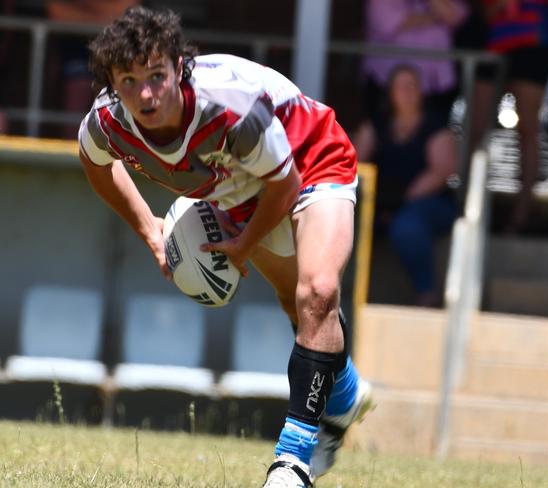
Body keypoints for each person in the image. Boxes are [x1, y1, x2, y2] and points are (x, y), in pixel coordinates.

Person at [77, 7, 373, 487]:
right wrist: (150, 230)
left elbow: (285, 184)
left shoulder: (229, 108)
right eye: (129, 81)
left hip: (308, 157)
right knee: (292, 303)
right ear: (111, 82)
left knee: (317, 290)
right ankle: (343, 396)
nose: (146, 94)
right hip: (237, 185)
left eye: (156, 75)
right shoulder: (108, 121)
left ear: (178, 65)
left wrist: (242, 246)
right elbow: (94, 164)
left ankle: (292, 460)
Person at [355, 65, 458, 307]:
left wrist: (398, 206)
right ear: (389, 93)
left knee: (406, 226)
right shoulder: (376, 125)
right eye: (400, 86)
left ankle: (427, 293)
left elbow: (441, 172)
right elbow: (353, 165)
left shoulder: (435, 126)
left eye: (413, 85)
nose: (407, 92)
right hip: (381, 203)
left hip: (428, 204)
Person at [470, 0, 548, 232]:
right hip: (494, 43)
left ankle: (522, 214)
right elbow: (485, 13)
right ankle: (469, 206)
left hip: (534, 46)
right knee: (476, 129)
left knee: (528, 130)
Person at [46, 0, 140, 138]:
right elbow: (55, 10)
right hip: (75, 55)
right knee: (78, 88)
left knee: (121, 94)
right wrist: (104, 13)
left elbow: (126, 10)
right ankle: (74, 151)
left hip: (119, 54)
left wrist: (81, 7)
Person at [363, 0, 468, 123]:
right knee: (384, 132)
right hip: (388, 83)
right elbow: (387, 22)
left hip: (435, 83)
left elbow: (454, 16)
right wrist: (434, 18)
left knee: (436, 133)